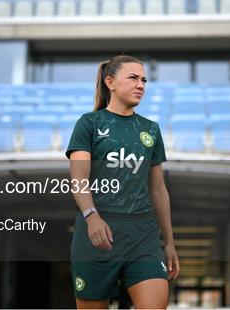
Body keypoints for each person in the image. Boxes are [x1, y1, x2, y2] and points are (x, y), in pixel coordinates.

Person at [65, 55, 180, 309]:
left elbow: (158, 190)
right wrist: (91, 216)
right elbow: (78, 178)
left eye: (144, 80)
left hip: (143, 236)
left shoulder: (150, 129)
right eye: (133, 78)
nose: (141, 85)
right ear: (110, 82)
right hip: (97, 233)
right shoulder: (89, 124)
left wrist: (169, 242)